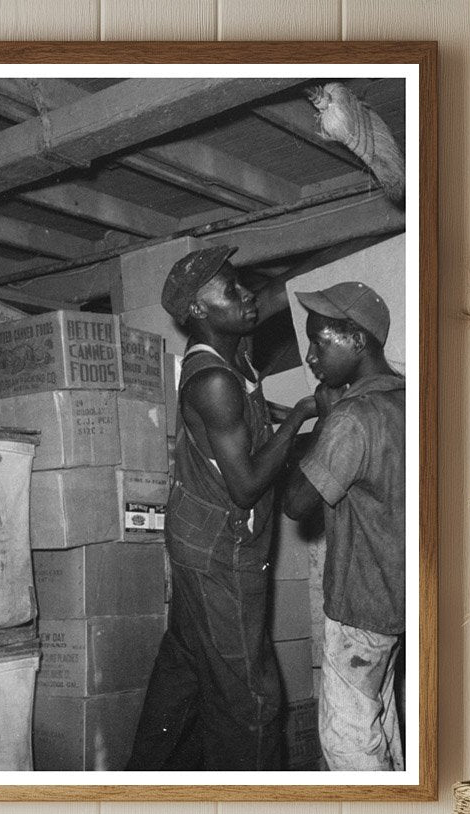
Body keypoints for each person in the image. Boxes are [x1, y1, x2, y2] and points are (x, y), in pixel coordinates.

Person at [126, 246, 318, 771]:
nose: (247, 295)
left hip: (195, 539)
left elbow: (245, 416)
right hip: (221, 554)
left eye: (242, 284)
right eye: (231, 292)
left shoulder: (231, 354)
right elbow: (247, 485)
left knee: (186, 665)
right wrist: (300, 414)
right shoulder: (214, 380)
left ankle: (139, 784)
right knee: (251, 697)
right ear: (200, 312)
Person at [284, 281, 406, 771]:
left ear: (357, 340)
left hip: (361, 605)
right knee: (380, 722)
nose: (310, 356)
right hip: (400, 599)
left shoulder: (353, 417)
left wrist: (329, 418)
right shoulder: (409, 401)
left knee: (347, 739)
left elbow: (296, 502)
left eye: (320, 341)